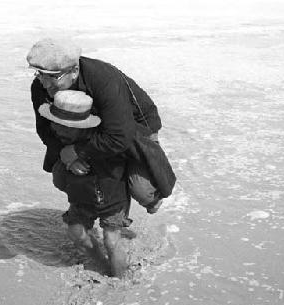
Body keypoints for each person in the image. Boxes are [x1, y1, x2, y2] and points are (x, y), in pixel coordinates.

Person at [27, 37, 176, 277]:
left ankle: (149, 198)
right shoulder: (42, 87)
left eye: (51, 76)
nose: (44, 82)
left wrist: (78, 152)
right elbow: (45, 130)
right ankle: (98, 253)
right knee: (64, 177)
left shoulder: (102, 79)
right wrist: (67, 156)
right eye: (38, 74)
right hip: (82, 130)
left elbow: (121, 135)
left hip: (134, 126)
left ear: (74, 70)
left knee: (142, 189)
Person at [38, 89, 130, 277]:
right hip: (81, 198)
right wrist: (68, 159)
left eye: (64, 126)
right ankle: (100, 262)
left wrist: (80, 155)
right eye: (55, 124)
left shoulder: (106, 142)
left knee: (111, 240)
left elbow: (123, 158)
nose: (57, 129)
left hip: (113, 199)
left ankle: (121, 280)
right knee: (76, 233)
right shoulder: (60, 141)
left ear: (84, 127)